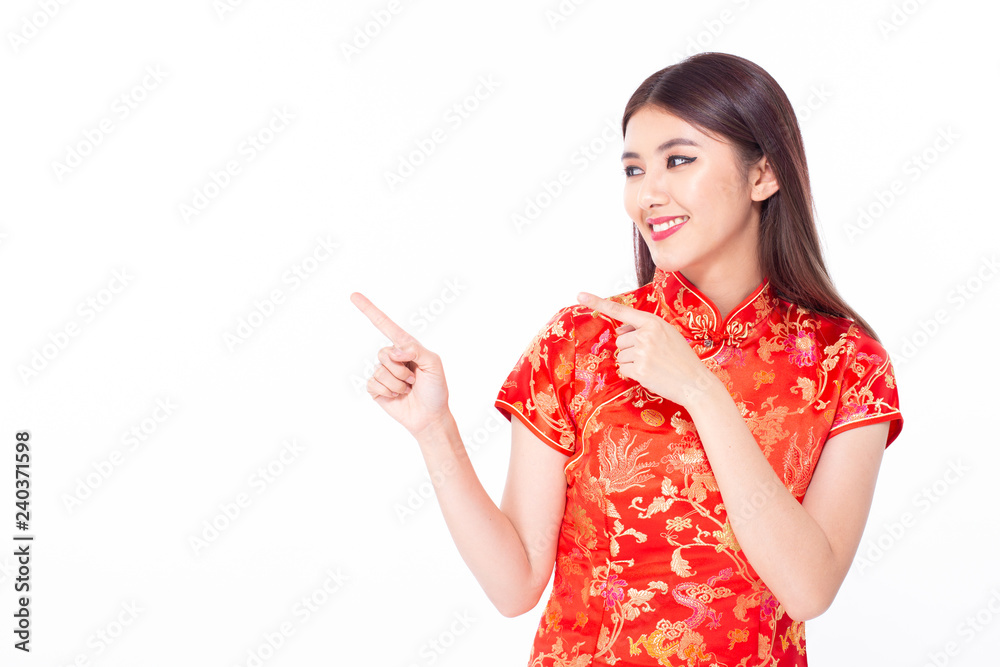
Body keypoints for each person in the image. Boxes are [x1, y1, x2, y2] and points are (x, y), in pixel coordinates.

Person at [350, 51, 903, 666]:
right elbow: (515, 586)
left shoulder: (844, 360)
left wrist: (700, 390)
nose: (649, 194)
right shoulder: (581, 342)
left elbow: (809, 588)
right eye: (634, 170)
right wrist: (435, 431)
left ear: (763, 175)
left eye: (678, 160)